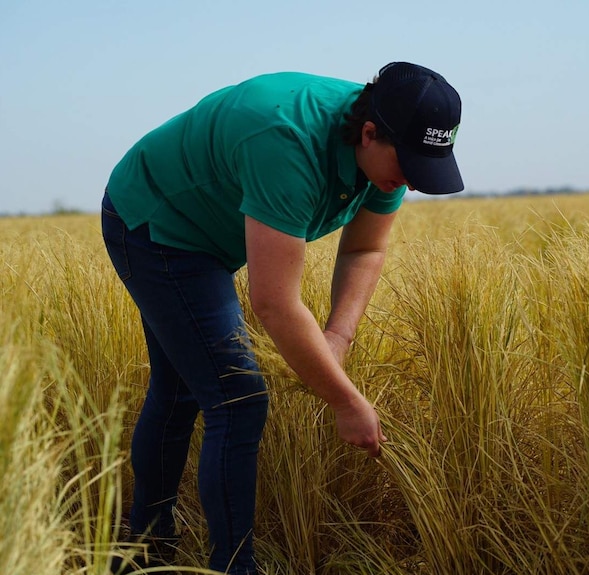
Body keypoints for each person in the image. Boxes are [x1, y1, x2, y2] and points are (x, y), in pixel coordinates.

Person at [101, 61, 463, 575]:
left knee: (182, 386)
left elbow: (364, 250)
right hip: (158, 225)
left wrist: (338, 335)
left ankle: (142, 548)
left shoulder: (390, 144)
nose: (411, 181)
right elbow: (273, 302)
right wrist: (346, 401)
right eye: (408, 164)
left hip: (216, 230)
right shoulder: (286, 141)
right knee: (238, 398)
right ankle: (228, 566)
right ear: (367, 133)